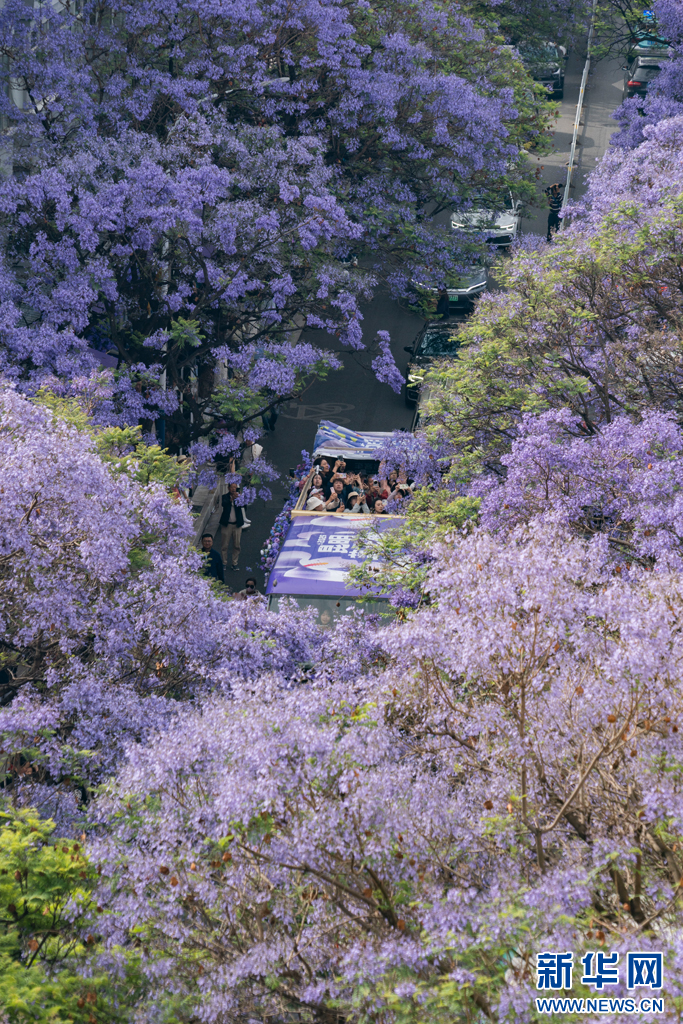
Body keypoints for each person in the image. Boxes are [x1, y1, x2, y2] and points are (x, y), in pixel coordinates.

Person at [219, 482, 245, 571]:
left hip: (237, 525)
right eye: (232, 487)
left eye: (235, 487)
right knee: (224, 545)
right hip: (227, 525)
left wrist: (240, 498)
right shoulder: (225, 497)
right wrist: (231, 499)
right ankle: (224, 562)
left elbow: (243, 506)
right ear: (228, 488)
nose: (234, 489)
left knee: (237, 545)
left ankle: (234, 563)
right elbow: (224, 504)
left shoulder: (239, 497)